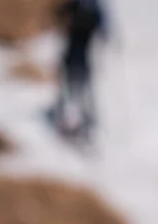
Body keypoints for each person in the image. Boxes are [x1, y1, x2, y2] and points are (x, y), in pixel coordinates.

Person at [48, 0, 109, 143]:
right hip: (77, 61)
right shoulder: (89, 8)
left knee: (76, 94)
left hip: (76, 60)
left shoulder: (80, 7)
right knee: (76, 94)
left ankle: (79, 126)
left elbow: (57, 14)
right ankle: (79, 125)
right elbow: (104, 29)